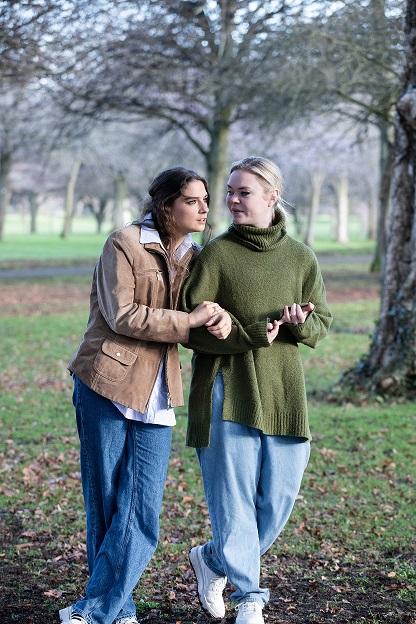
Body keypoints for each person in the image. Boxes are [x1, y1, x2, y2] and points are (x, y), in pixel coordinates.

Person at [59, 167, 231, 624]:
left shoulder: (195, 257)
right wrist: (190, 321)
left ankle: (97, 608)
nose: (204, 209)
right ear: (166, 204)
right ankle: (115, 608)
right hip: (106, 382)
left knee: (141, 510)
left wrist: (221, 322)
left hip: (158, 391)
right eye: (193, 200)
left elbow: (198, 319)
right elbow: (124, 315)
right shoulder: (125, 243)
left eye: (206, 201)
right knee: (108, 501)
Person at [181, 156, 332, 624]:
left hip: (284, 391)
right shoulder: (217, 255)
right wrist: (248, 330)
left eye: (243, 192)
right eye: (229, 191)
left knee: (279, 497)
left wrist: (301, 324)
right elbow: (191, 330)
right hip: (228, 390)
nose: (231, 200)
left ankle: (213, 559)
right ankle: (249, 597)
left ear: (272, 197)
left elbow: (322, 323)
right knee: (235, 501)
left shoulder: (301, 257)